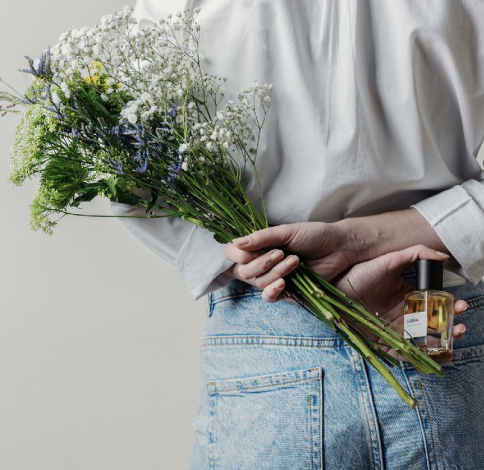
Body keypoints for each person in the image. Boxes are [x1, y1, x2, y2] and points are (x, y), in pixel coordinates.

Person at [110, 0, 484, 468]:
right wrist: (365, 240)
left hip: (272, 322)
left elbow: (124, 169)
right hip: (433, 299)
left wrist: (253, 255)